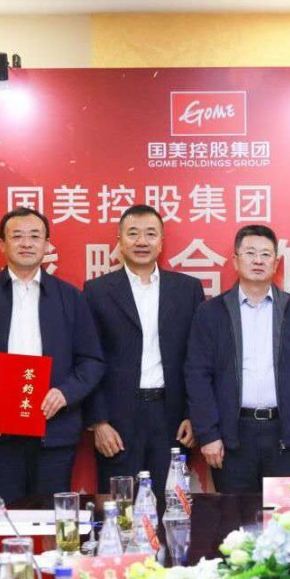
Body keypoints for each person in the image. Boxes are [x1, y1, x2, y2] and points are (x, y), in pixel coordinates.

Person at [0, 207, 104, 504]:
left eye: (35, 236)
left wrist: (66, 392)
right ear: (2, 244)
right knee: (5, 521)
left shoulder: (70, 297)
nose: (27, 243)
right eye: (17, 236)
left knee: (51, 520)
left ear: (47, 244)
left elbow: (92, 360)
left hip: (54, 433)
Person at [185, 225, 290, 492]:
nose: (258, 260)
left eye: (265, 254)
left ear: (276, 263)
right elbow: (198, 375)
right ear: (235, 260)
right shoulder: (211, 312)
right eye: (250, 253)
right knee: (234, 515)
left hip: (286, 435)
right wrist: (209, 434)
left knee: (286, 513)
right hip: (232, 437)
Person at [84, 204, 206, 494]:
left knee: (171, 503)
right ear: (119, 240)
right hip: (118, 420)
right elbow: (89, 359)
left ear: (161, 241)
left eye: (150, 234)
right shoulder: (97, 291)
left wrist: (194, 414)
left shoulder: (187, 289)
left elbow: (198, 359)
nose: (142, 241)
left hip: (172, 417)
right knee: (121, 504)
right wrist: (98, 422)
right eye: (133, 233)